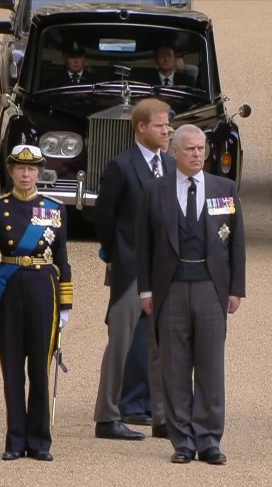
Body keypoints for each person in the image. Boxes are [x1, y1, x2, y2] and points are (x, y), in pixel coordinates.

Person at [136, 124, 246, 465]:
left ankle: (209, 438)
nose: (198, 154)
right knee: (175, 365)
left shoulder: (224, 188)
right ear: (175, 153)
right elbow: (145, 245)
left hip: (211, 288)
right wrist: (146, 289)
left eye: (201, 149)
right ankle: (182, 439)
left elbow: (237, 244)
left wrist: (236, 289)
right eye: (190, 149)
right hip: (171, 287)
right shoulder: (156, 191)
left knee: (211, 365)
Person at [0, 145, 73, 462]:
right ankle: (15, 440)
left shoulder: (55, 209)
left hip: (42, 289)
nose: (25, 174)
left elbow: (62, 260)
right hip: (7, 291)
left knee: (39, 370)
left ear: (39, 172)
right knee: (12, 370)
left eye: (31, 169)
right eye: (20, 168)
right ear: (11, 171)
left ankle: (39, 441)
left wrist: (65, 304)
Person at [94, 98, 175, 441]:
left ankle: (161, 415)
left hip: (165, 271)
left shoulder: (171, 166)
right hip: (130, 269)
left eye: (168, 126)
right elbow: (104, 218)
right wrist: (119, 257)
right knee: (121, 343)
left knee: (162, 345)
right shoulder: (122, 166)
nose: (166, 130)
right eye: (160, 125)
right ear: (141, 127)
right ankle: (107, 416)